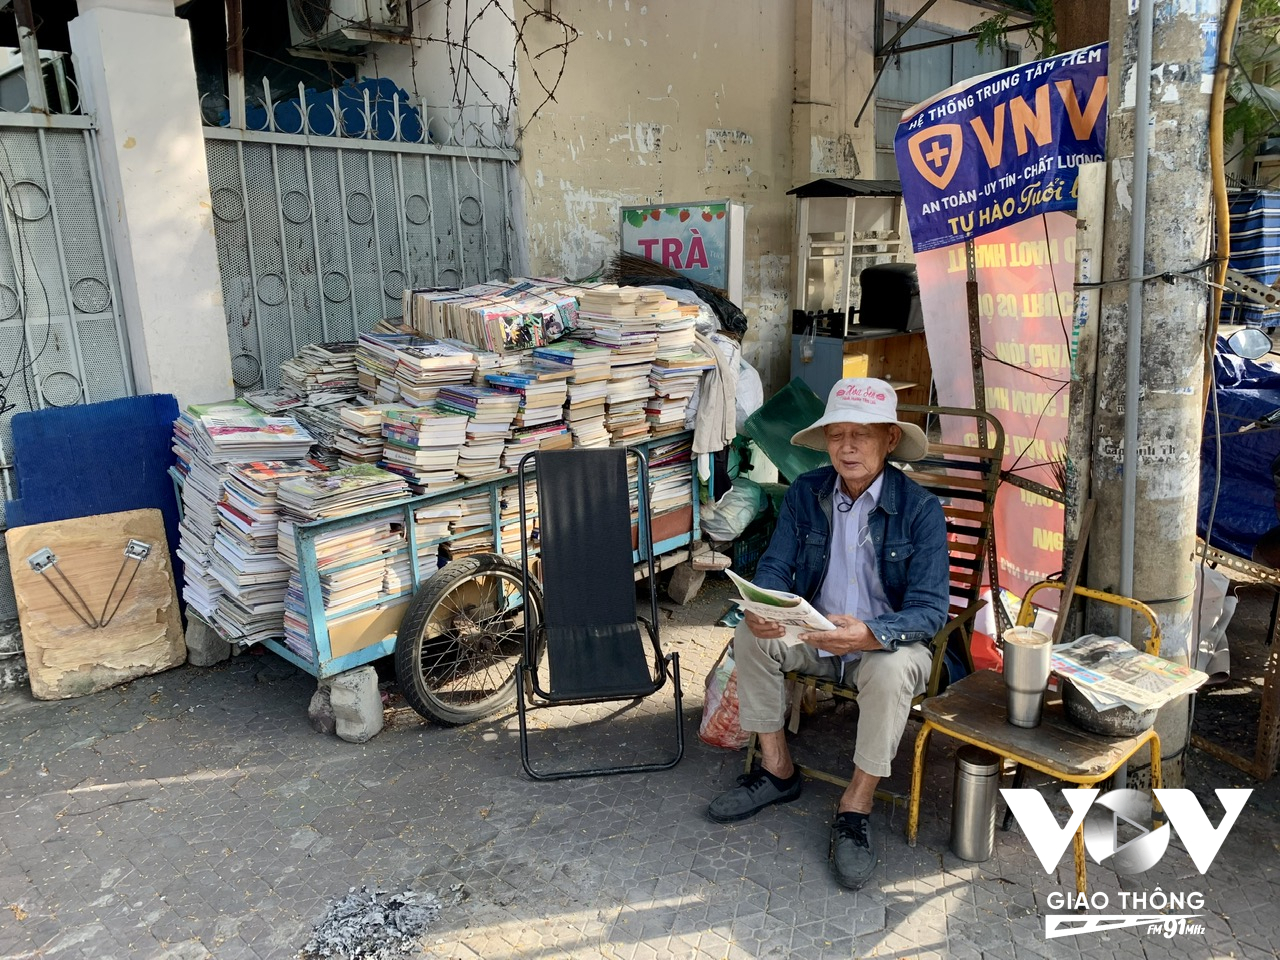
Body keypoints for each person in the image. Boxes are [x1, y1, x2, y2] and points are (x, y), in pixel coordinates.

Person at [706, 377, 949, 890]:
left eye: (861, 435)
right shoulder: (806, 492)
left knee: (890, 668)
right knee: (752, 636)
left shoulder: (921, 510)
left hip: (886, 644)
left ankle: (855, 807)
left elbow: (929, 612)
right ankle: (777, 771)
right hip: (815, 635)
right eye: (837, 435)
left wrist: (869, 633)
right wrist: (763, 606)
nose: (847, 447)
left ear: (889, 439)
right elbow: (776, 565)